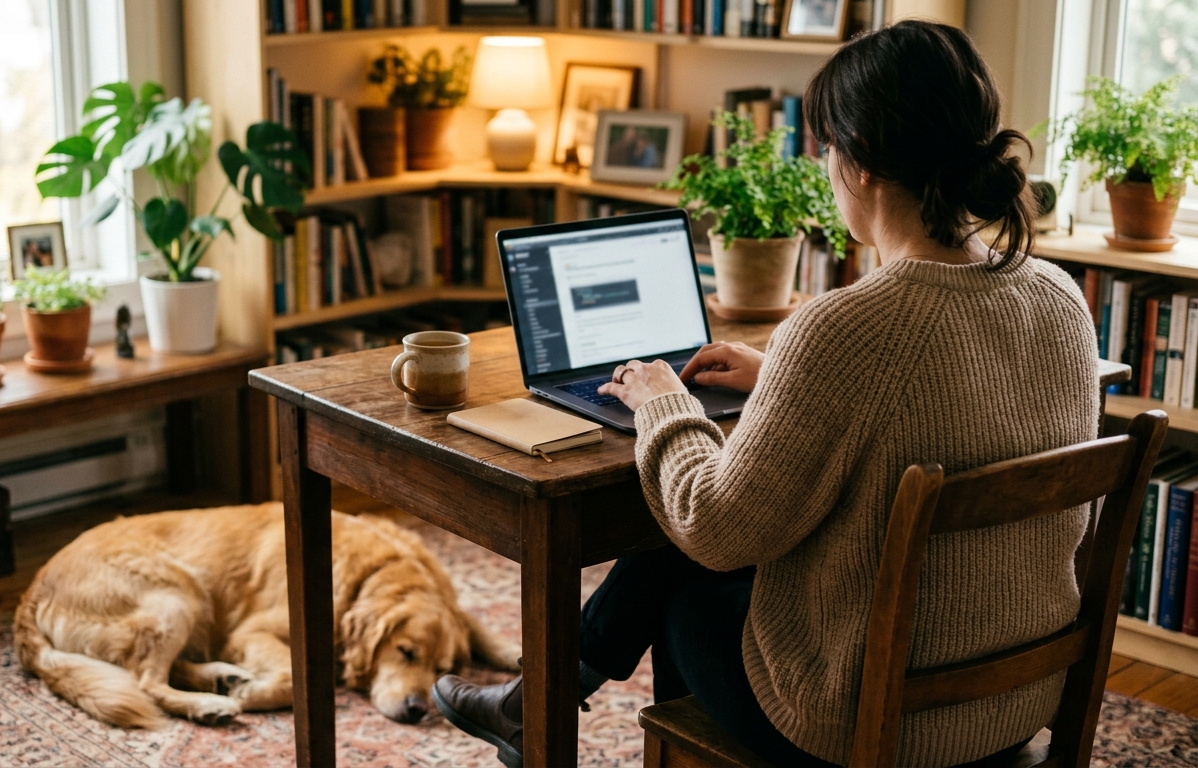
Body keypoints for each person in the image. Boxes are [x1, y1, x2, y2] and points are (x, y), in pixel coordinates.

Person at [433, 19, 1099, 768]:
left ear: (860, 166)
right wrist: (780, 368)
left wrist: (661, 400)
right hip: (1013, 703)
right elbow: (941, 385)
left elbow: (713, 528)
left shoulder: (847, 329)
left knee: (682, 561)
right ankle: (530, 707)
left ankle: (537, 707)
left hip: (871, 726)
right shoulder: (1058, 296)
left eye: (825, 148)